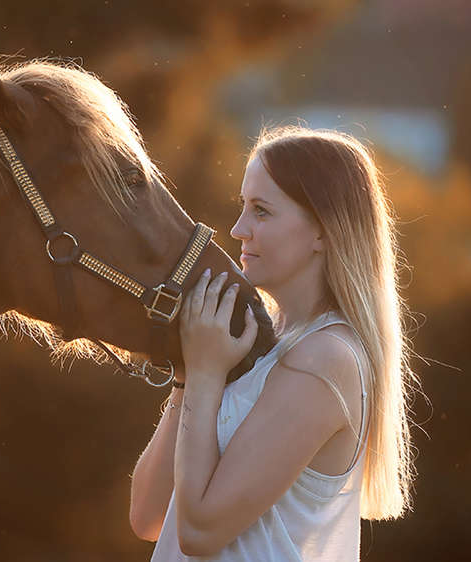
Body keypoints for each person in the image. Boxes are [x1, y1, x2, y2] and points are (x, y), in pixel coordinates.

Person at [129, 126, 417, 560]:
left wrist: (207, 374)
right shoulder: (252, 344)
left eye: (261, 211)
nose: (238, 228)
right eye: (242, 207)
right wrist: (189, 376)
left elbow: (200, 532)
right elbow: (148, 516)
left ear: (323, 230)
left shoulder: (326, 357)